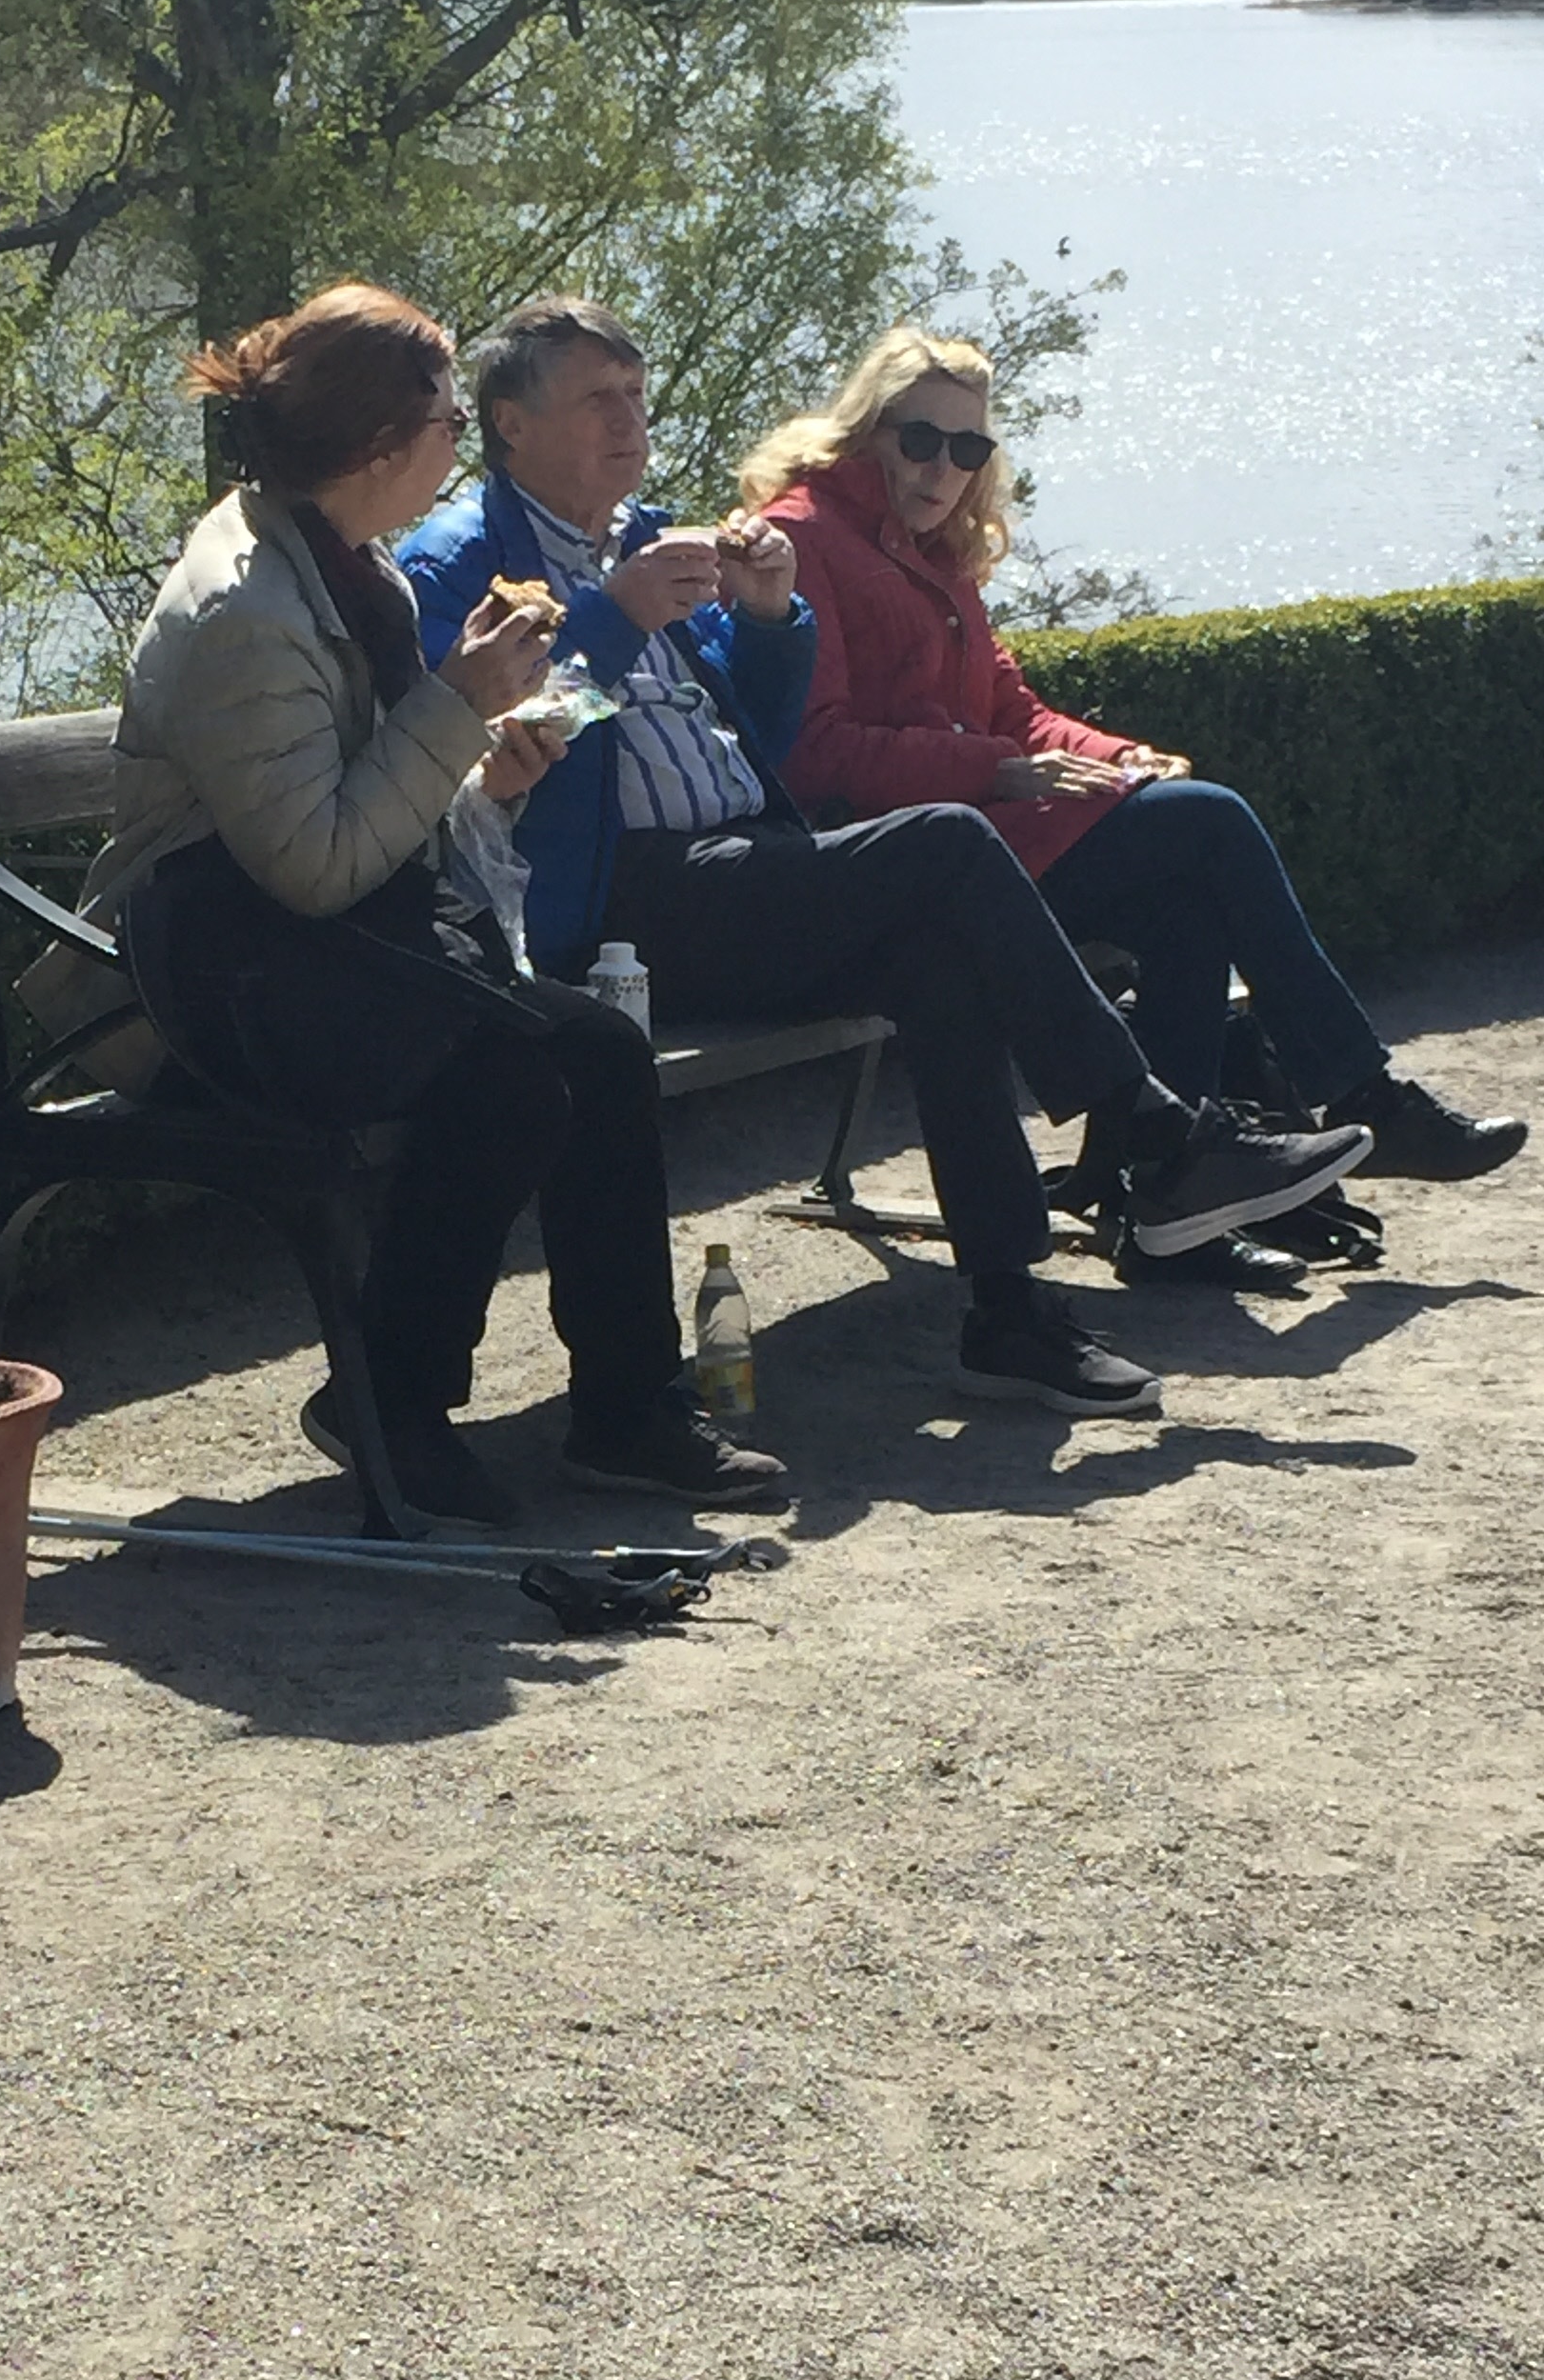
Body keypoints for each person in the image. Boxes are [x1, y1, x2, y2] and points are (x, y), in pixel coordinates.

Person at [397, 294, 1374, 1417]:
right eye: (595, 402)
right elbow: (494, 757)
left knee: (939, 959)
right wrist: (611, 619)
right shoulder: (459, 563)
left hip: (741, 864)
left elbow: (761, 743)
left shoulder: (648, 537)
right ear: (510, 423)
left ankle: (1009, 1310)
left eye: (636, 395)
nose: (630, 423)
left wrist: (772, 622)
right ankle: (1160, 1131)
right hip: (619, 898)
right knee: (950, 843)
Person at [78, 281, 785, 1528]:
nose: (462, 439)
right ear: (379, 446)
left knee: (592, 1049)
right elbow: (313, 865)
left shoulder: (343, 561)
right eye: (452, 421)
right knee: (516, 1076)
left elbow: (371, 802)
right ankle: (395, 1406)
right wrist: (457, 713)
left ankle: (622, 1411)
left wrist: (484, 765)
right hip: (220, 984)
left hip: (316, 944)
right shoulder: (247, 608)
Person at [741, 326, 1525, 1285]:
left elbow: (1017, 712)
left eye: (969, 447)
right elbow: (815, 753)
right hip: (899, 863)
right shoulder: (804, 536)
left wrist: (1120, 757)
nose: (945, 467)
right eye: (921, 440)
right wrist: (998, 769)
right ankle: (1360, 1094)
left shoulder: (934, 555)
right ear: (867, 430)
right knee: (1210, 822)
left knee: (1184, 895)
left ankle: (1165, 1209)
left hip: (980, 836)